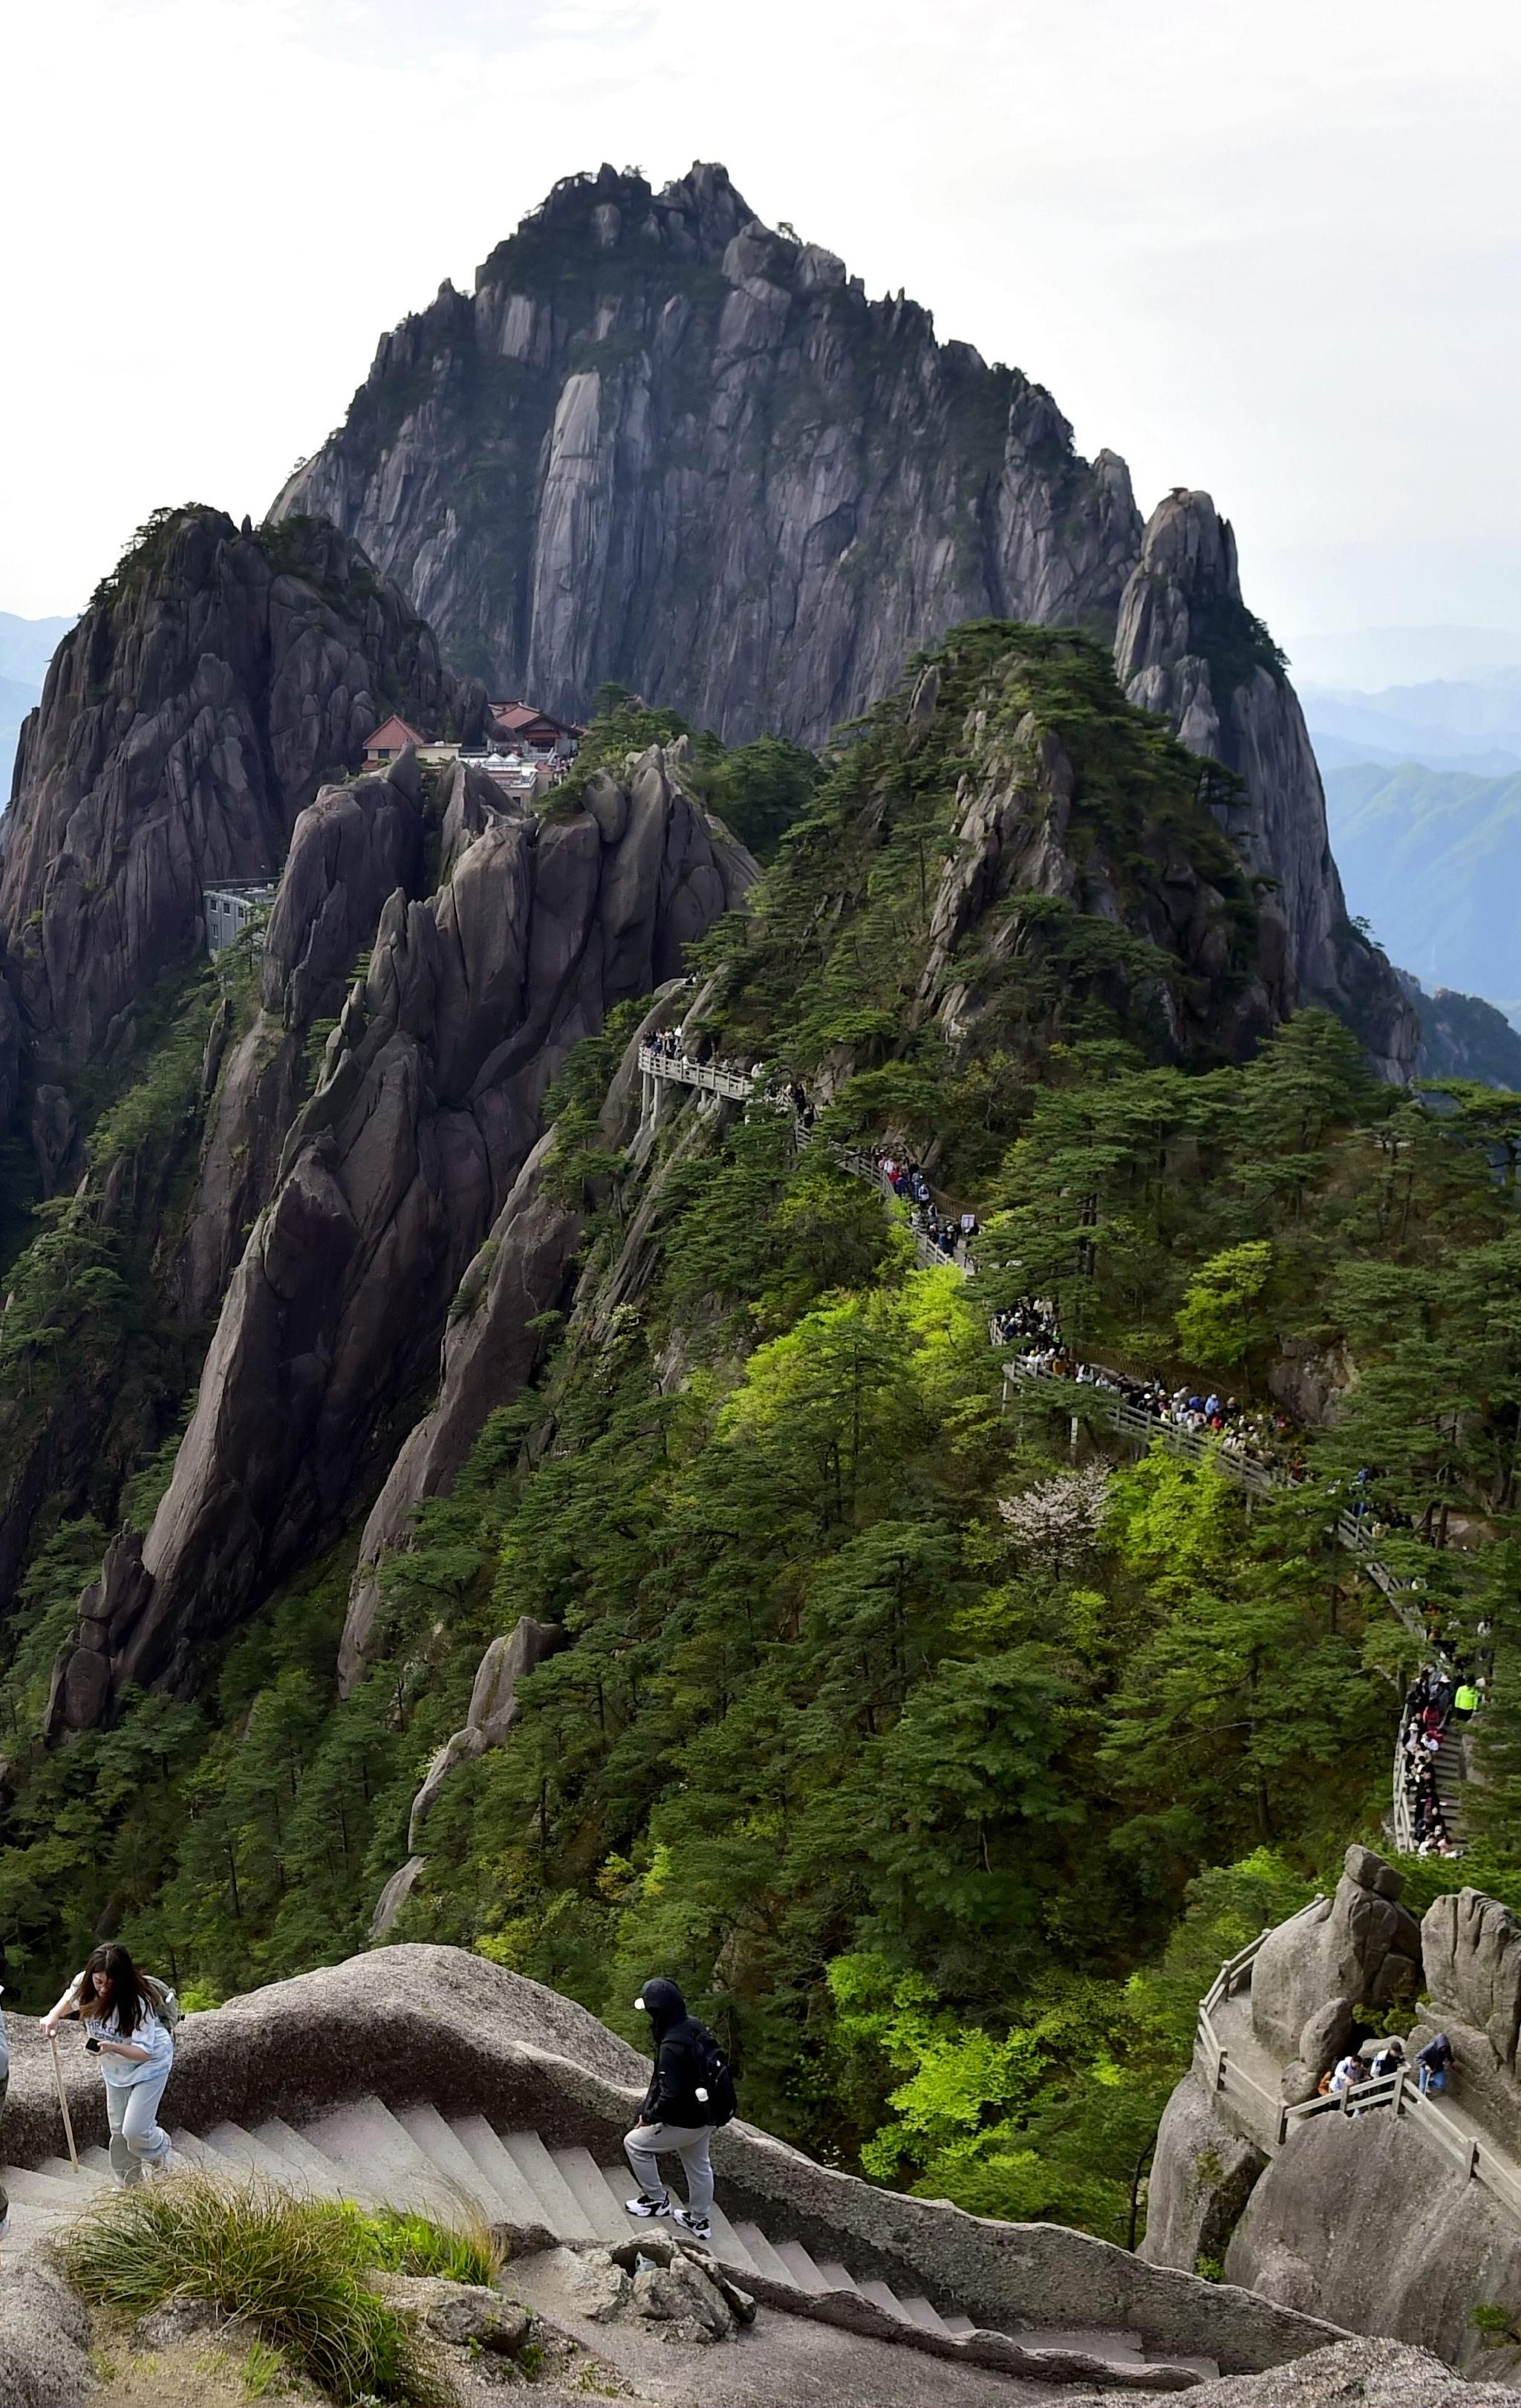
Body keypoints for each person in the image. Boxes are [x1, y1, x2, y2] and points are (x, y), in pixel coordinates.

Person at [42, 1945, 177, 2185]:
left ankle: (162, 2151)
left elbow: (144, 2052)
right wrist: (53, 2016)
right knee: (118, 2131)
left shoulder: (138, 2001)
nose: (103, 1988)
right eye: (99, 1982)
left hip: (149, 2064)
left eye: (110, 1983)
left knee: (135, 2130)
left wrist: (112, 2047)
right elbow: (69, 1999)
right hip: (115, 2069)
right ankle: (130, 2184)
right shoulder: (86, 1985)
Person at [623, 1978, 730, 2242]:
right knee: (699, 2166)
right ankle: (699, 2220)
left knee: (635, 2144)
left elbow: (670, 2094)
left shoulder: (671, 2045)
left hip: (687, 2119)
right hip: (710, 2110)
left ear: (658, 2012)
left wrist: (648, 2118)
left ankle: (657, 2200)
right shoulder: (693, 2025)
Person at [1416, 2031, 1454, 2095]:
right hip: (1426, 2066)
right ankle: (1420, 2099)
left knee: (1441, 2084)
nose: (1443, 2049)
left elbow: (1449, 2055)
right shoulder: (1430, 2049)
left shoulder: (1447, 2048)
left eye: (1445, 2047)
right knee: (1422, 2087)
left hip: (1438, 2067)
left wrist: (1452, 2061)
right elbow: (1418, 2057)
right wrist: (1425, 2065)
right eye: (1442, 2047)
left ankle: (1429, 2083)